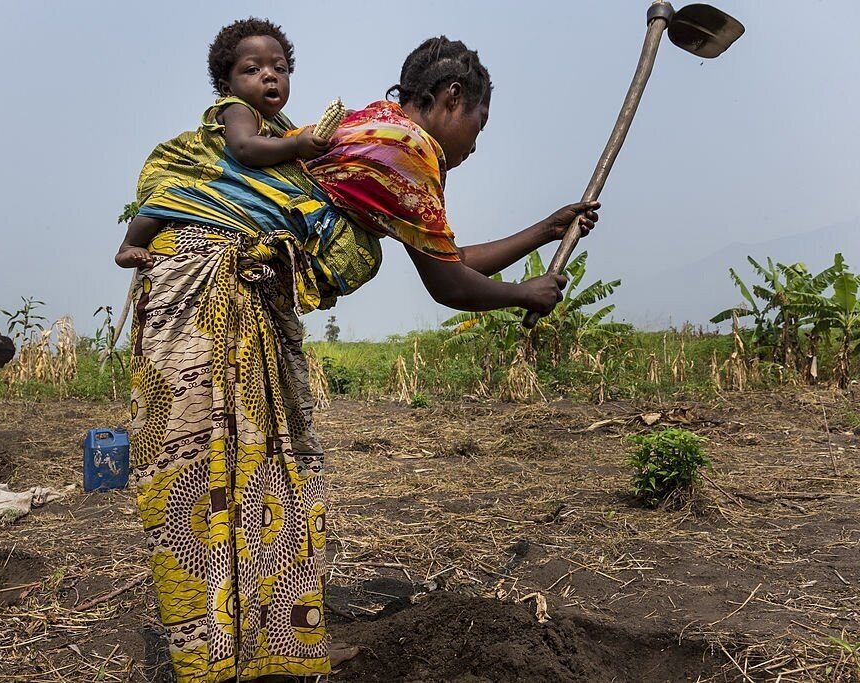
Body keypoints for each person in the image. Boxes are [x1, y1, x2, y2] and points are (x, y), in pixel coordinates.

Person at [118, 31, 599, 683]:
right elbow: (449, 282)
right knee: (207, 480)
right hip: (210, 294)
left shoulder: (379, 131)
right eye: (477, 128)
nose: (473, 147)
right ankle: (212, 662)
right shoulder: (407, 150)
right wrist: (525, 292)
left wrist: (545, 229)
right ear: (452, 99)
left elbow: (442, 255)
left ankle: (264, 651)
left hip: (239, 294)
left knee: (268, 474)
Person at [116, 17, 330, 271]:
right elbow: (245, 149)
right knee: (168, 200)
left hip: (228, 186)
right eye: (253, 69)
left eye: (280, 69)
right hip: (203, 175)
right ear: (226, 87)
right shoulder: (238, 108)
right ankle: (129, 246)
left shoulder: (278, 121)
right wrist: (296, 145)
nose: (270, 75)